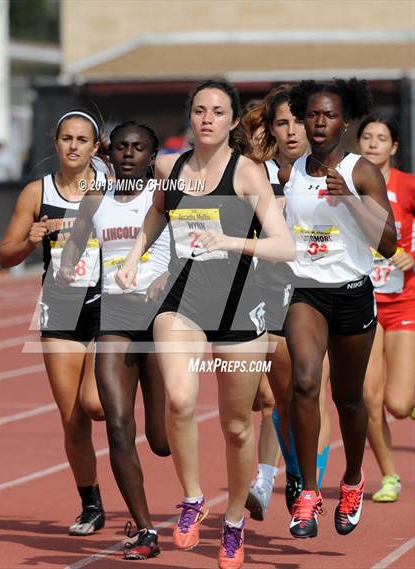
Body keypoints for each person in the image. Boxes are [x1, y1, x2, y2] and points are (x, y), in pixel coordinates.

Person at [116, 79, 295, 569]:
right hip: (184, 300)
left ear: (234, 120)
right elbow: (157, 215)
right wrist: (135, 256)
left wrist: (230, 242)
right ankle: (193, 497)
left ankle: (234, 522)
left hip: (240, 306)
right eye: (199, 110)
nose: (208, 118)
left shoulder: (248, 173)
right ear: (190, 117)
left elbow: (285, 246)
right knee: (179, 397)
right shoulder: (169, 166)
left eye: (218, 111)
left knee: (237, 426)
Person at [279, 78, 397, 538]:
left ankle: (351, 479)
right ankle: (307, 493)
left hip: (352, 292)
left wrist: (347, 198)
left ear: (344, 120)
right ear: (304, 120)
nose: (320, 122)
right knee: (305, 385)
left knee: (349, 399)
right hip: (305, 292)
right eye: (312, 114)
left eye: (329, 115)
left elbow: (387, 245)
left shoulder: (362, 171)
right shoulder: (288, 172)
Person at [57, 121, 171, 559]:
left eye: (138, 147)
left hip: (159, 322)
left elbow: (187, 250)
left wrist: (164, 277)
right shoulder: (95, 199)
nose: (128, 154)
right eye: (121, 147)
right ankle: (145, 530)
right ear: (108, 152)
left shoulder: (162, 196)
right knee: (120, 428)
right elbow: (73, 252)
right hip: (114, 317)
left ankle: (192, 502)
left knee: (160, 439)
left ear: (151, 153)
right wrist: (69, 268)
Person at [0, 110, 107, 536]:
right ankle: (91, 504)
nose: (74, 145)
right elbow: (4, 255)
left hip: (105, 307)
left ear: (95, 148)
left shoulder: (111, 192)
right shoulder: (35, 193)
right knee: (73, 418)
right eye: (67, 138)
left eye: (83, 139)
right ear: (56, 143)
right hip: (59, 311)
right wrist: (29, 240)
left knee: (97, 404)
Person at [243, 85, 332, 520]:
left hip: (319, 293)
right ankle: (282, 477)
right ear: (271, 128)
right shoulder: (254, 174)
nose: (293, 130)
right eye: (282, 122)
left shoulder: (326, 171)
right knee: (274, 396)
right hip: (267, 294)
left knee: (312, 391)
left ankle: (304, 491)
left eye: (299, 120)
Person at [357, 115, 415, 503]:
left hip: (404, 302)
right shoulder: (344, 187)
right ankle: (389, 476)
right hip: (362, 302)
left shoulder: (407, 185)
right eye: (367, 137)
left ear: (394, 146)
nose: (373, 144)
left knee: (398, 403)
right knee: (368, 397)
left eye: (382, 139)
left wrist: (411, 256)